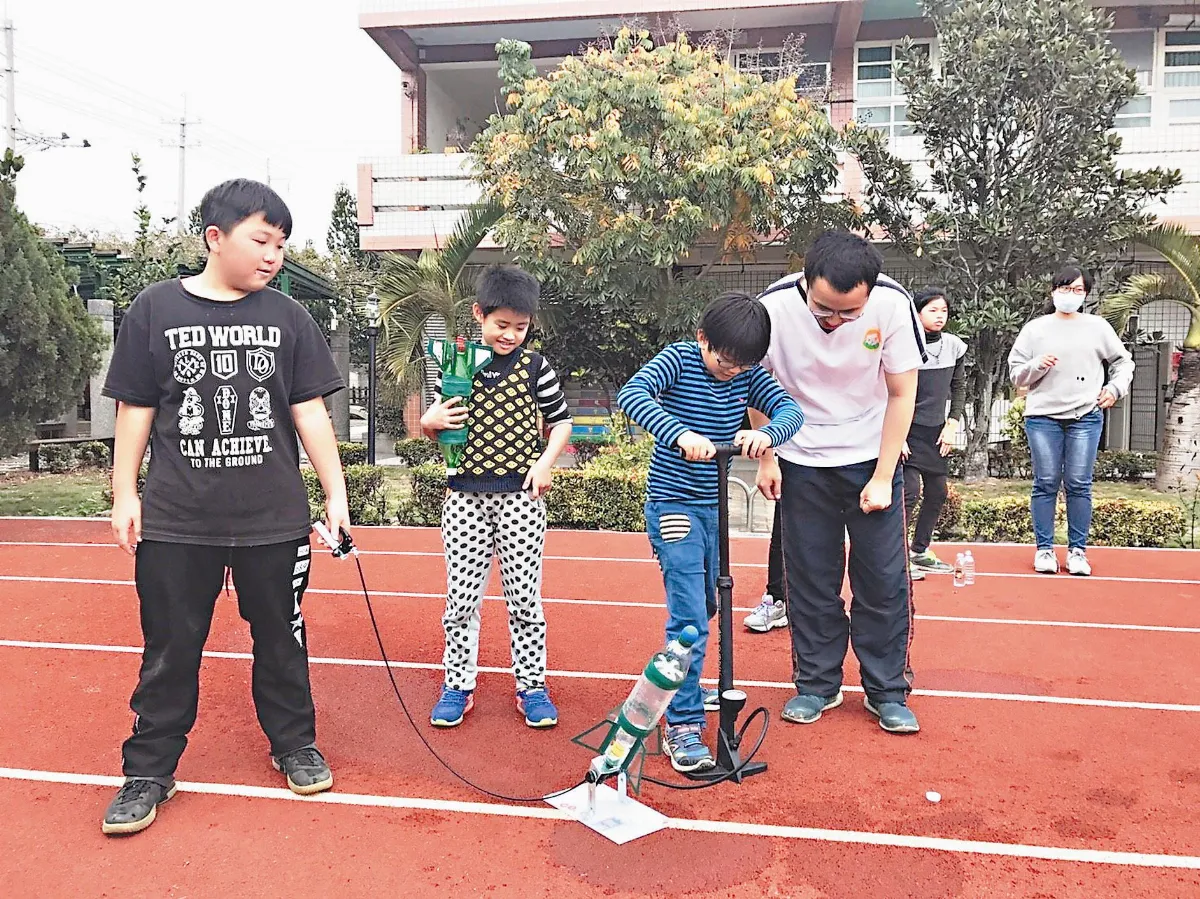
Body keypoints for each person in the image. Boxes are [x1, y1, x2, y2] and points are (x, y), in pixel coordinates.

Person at [100, 179, 350, 835]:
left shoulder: (289, 317)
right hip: (178, 519)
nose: (273, 255)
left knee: (281, 639)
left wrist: (337, 491)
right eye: (260, 239)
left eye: (281, 244)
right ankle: (149, 769)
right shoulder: (154, 310)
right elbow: (135, 406)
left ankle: (294, 741)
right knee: (170, 648)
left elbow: (309, 411)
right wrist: (125, 490)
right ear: (216, 237)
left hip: (274, 519)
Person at [618, 292, 804, 772]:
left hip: (713, 510)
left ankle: (688, 686)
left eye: (743, 367)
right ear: (703, 339)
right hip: (674, 506)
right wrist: (680, 434)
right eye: (724, 362)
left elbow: (790, 412)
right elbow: (632, 395)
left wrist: (767, 437)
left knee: (709, 606)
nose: (731, 373)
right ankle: (682, 724)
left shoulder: (745, 374)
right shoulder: (680, 360)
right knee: (689, 621)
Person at [750, 230, 926, 734]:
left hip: (870, 457)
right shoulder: (775, 309)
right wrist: (769, 458)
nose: (834, 321)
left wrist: (884, 476)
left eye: (848, 313)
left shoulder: (893, 304)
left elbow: (901, 393)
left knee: (884, 581)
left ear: (868, 294)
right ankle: (818, 684)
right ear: (805, 282)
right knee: (809, 580)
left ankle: (887, 690)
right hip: (800, 458)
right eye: (823, 309)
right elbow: (757, 384)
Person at [420, 264, 574, 729]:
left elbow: (562, 421)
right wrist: (429, 424)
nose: (510, 335)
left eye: (521, 327)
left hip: (521, 498)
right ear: (479, 315)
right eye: (501, 325)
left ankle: (531, 685)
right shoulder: (456, 364)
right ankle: (458, 683)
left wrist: (545, 464)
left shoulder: (534, 366)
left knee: (524, 598)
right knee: (461, 599)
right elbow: (438, 427)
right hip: (464, 498)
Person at [1008, 266, 1134, 576]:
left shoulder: (1097, 327)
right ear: (1053, 291)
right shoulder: (1035, 329)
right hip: (1042, 417)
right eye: (1065, 289)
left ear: (1086, 295)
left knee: (1079, 484)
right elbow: (1016, 375)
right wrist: (1037, 365)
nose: (1071, 295)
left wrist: (1115, 389)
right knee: (1046, 482)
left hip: (1085, 416)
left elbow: (1123, 362)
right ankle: (1045, 550)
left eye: (1078, 290)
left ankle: (1078, 551)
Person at [904, 287, 968, 576]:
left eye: (943, 310)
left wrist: (952, 423)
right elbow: (885, 392)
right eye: (932, 310)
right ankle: (895, 554)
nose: (939, 316)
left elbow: (959, 387)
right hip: (905, 430)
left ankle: (919, 550)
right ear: (917, 314)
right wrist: (898, 437)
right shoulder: (903, 345)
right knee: (909, 492)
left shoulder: (954, 346)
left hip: (936, 431)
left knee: (938, 491)